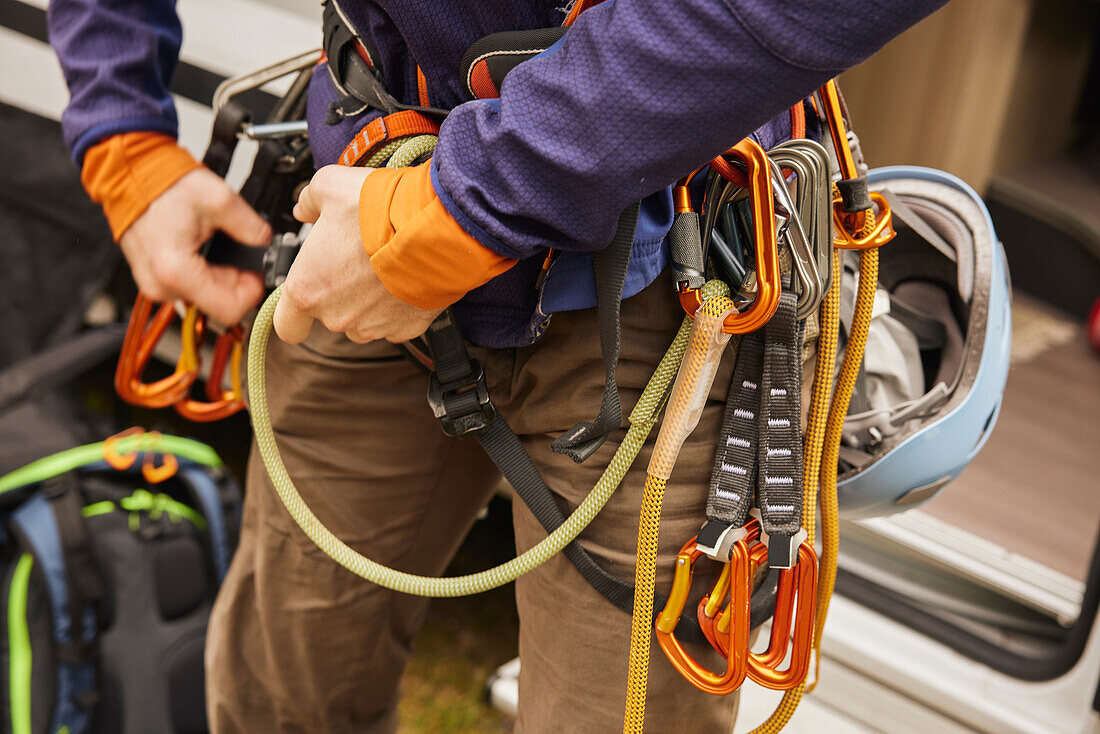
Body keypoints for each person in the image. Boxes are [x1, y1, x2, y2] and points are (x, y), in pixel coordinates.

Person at [49, 1, 947, 731]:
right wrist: (121, 125)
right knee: (280, 695)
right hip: (366, 207)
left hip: (671, 270)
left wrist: (461, 212)